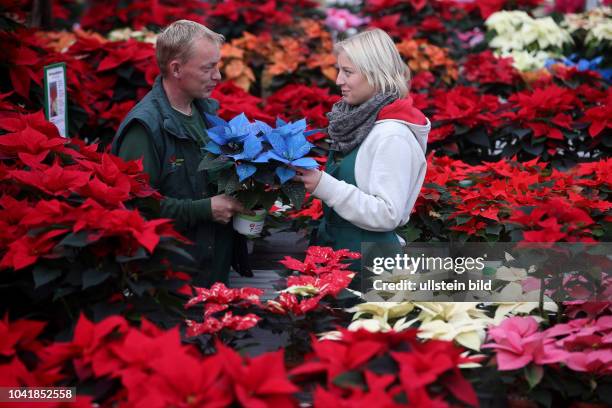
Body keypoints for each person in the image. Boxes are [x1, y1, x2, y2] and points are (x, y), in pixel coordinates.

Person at [111, 20, 250, 287]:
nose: (218, 76)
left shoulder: (204, 111)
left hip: (212, 272)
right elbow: (136, 208)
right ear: (176, 68)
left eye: (217, 66)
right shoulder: (145, 128)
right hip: (174, 281)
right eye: (208, 68)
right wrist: (204, 209)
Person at [293, 28, 431, 290]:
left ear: (375, 73)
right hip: (341, 259)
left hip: (370, 271)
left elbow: (387, 214)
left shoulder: (393, 135)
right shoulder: (361, 121)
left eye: (348, 72)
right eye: (339, 70)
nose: (337, 80)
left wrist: (324, 185)